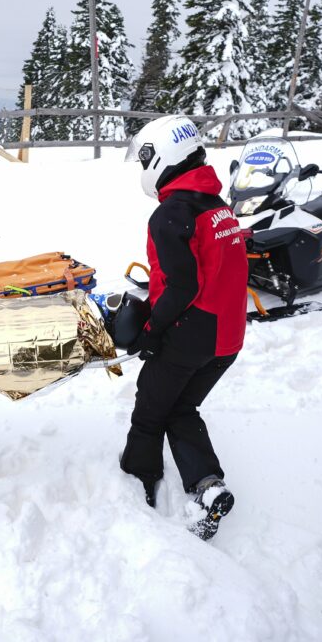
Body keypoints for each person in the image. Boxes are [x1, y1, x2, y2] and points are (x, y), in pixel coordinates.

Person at [120, 115, 248, 540]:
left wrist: (152, 331)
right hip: (228, 336)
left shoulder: (171, 213)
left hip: (192, 332)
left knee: (150, 408)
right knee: (181, 407)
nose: (144, 169)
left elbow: (184, 285)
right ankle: (208, 487)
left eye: (145, 159)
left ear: (163, 156)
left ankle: (136, 482)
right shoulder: (216, 206)